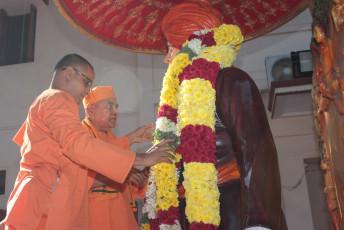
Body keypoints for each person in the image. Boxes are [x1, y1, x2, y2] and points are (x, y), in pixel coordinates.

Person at [0, 54, 174, 230]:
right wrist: (142, 158)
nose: (88, 91)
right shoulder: (58, 98)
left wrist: (131, 172)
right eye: (86, 82)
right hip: (47, 202)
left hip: (49, 199)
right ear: (69, 73)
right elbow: (78, 145)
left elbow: (80, 174)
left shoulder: (47, 102)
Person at [159, 1, 287, 229]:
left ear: (193, 44)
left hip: (235, 211)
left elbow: (258, 156)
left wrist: (259, 224)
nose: (167, 59)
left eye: (170, 47)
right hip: (190, 215)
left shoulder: (232, 81)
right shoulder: (181, 100)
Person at [82, 86, 150, 230]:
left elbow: (131, 185)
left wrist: (147, 170)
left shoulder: (111, 138)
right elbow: (84, 179)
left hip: (122, 215)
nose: (116, 112)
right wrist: (129, 139)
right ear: (90, 110)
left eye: (116, 106)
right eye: (109, 106)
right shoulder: (81, 135)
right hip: (97, 216)